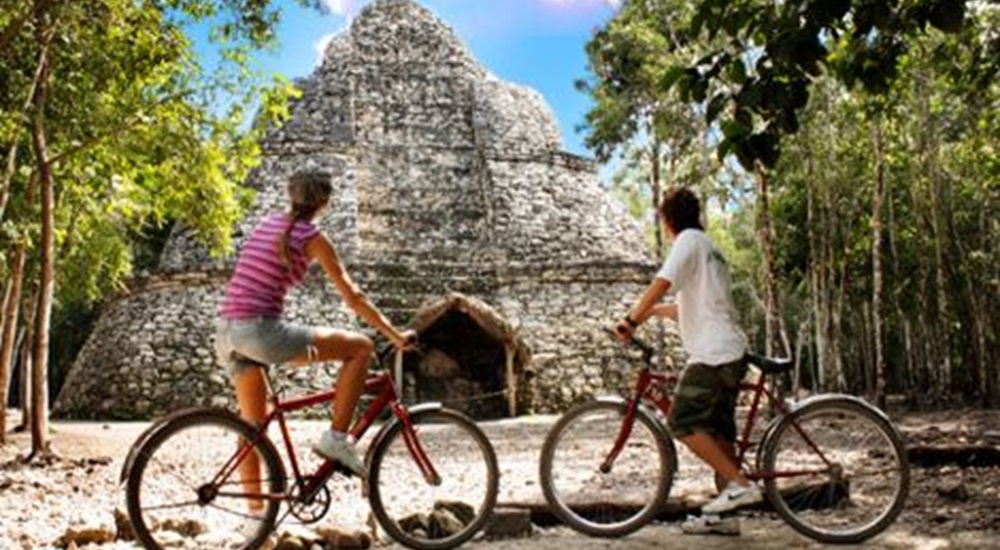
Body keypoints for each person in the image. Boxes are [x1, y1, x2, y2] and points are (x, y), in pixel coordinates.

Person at [214, 169, 414, 507]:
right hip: (261, 334)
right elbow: (353, 296)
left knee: (253, 428)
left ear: (290, 196)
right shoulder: (313, 237)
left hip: (228, 333)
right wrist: (394, 335)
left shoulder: (267, 224)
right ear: (325, 201)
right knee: (361, 348)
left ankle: (256, 522)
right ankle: (337, 438)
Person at [614, 187, 760, 532]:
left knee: (681, 420)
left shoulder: (687, 242)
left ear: (667, 221)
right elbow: (689, 306)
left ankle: (740, 485)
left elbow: (662, 283)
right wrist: (649, 315)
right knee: (720, 435)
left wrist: (632, 319)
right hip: (730, 348)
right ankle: (723, 520)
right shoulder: (709, 247)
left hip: (713, 353)